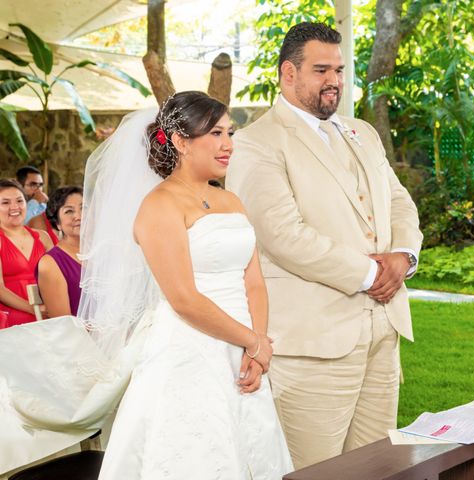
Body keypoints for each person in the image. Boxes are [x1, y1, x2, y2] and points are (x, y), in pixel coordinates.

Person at [0, 92, 292, 479]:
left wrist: (257, 345)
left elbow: (253, 280)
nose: (228, 145)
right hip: (191, 349)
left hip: (244, 352)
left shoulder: (231, 202)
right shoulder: (159, 205)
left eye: (230, 133)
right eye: (216, 133)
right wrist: (253, 342)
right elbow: (184, 298)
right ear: (181, 141)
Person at [225, 22, 423, 468]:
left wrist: (403, 257)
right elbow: (282, 234)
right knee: (315, 471)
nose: (334, 80)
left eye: (339, 69)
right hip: (313, 343)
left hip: (383, 334)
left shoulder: (362, 133)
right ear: (288, 74)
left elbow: (399, 202)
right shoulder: (257, 143)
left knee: (377, 467)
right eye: (321, 69)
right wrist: (373, 274)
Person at [0, 179, 53, 328]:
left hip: (49, 308)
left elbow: (58, 275)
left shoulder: (42, 237)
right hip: (13, 313)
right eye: (5, 203)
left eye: (19, 200)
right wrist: (34, 309)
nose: (15, 207)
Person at [36, 186, 83, 316]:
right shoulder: (50, 263)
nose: (79, 216)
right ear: (58, 223)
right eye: (69, 211)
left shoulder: (105, 253)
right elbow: (63, 322)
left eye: (84, 208)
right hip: (78, 334)